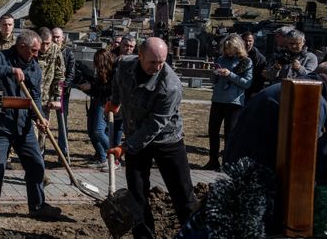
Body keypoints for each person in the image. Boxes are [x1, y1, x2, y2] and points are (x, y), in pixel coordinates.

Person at [107, 37, 197, 239]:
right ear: (139, 56)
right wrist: (114, 102)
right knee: (137, 193)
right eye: (152, 62)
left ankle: (195, 234)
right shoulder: (124, 65)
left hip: (167, 140)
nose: (157, 67)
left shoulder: (170, 86)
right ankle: (144, 236)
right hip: (135, 136)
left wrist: (125, 147)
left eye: (161, 62)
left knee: (183, 194)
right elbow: (117, 82)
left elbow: (155, 125)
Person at [0, 30, 62, 228]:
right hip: (1, 125)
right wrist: (10, 70)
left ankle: (37, 206)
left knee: (36, 164)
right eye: (33, 50)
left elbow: (34, 96)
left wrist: (39, 117)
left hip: (24, 126)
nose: (37, 54)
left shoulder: (34, 67)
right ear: (21, 47)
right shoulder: (1, 57)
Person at [224, 60, 327, 172]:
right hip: (260, 171)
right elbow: (306, 152)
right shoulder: (311, 97)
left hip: (241, 161)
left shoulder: (286, 87)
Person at [203, 34, 252, 170]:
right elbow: (214, 81)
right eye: (226, 48)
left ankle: (227, 162)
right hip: (218, 99)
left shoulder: (245, 61)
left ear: (237, 47)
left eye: (230, 48)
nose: (228, 51)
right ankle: (213, 160)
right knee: (213, 131)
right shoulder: (220, 59)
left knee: (229, 134)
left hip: (234, 102)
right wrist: (214, 73)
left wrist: (229, 74)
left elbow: (247, 83)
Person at [78, 48, 117, 172]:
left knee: (98, 130)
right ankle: (102, 158)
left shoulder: (114, 72)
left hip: (105, 102)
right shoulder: (100, 73)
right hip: (96, 99)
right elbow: (98, 86)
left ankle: (115, 157)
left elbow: (109, 89)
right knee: (91, 130)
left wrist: (92, 86)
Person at [36, 28, 64, 154]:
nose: (45, 47)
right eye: (42, 43)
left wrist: (57, 98)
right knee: (30, 131)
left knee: (42, 131)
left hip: (46, 99)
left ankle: (39, 162)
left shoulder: (55, 50)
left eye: (48, 43)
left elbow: (59, 74)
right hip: (30, 97)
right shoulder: (32, 48)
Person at [51, 27, 74, 161]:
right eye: (53, 36)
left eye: (58, 37)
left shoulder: (68, 53)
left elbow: (71, 74)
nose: (55, 39)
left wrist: (62, 88)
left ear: (63, 38)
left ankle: (63, 153)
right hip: (48, 91)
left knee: (62, 122)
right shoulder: (47, 51)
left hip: (62, 93)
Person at [241, 31, 266, 100]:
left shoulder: (259, 58)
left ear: (253, 41)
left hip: (251, 89)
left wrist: (256, 91)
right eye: (245, 41)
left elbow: (260, 77)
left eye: (250, 41)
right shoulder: (235, 54)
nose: (248, 43)